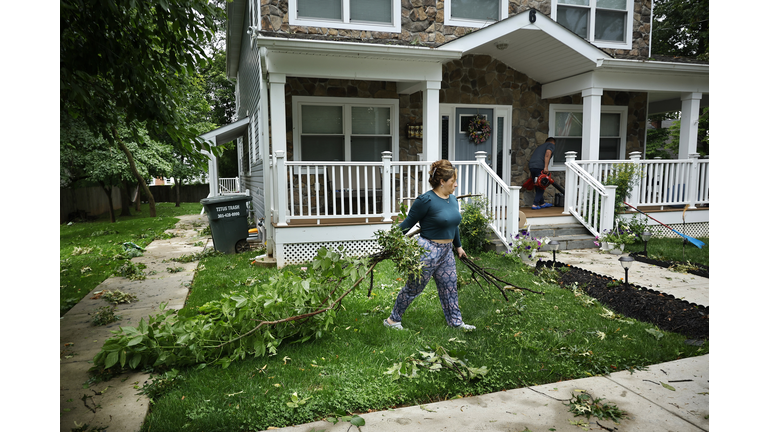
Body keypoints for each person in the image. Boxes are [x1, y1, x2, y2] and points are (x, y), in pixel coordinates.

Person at [383, 159, 475, 331]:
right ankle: (392, 320)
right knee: (413, 287)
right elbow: (407, 223)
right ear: (442, 182)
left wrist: (459, 246)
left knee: (450, 287)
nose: (456, 184)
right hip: (427, 250)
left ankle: (455, 323)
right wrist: (391, 240)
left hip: (446, 252)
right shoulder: (425, 200)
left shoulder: (453, 200)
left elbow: (453, 225)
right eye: (453, 181)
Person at [528, 137, 556, 210]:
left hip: (532, 166)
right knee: (542, 185)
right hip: (540, 166)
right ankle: (535, 204)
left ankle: (542, 203)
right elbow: (548, 154)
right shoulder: (551, 145)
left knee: (537, 184)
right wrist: (546, 167)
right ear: (553, 142)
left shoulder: (540, 147)